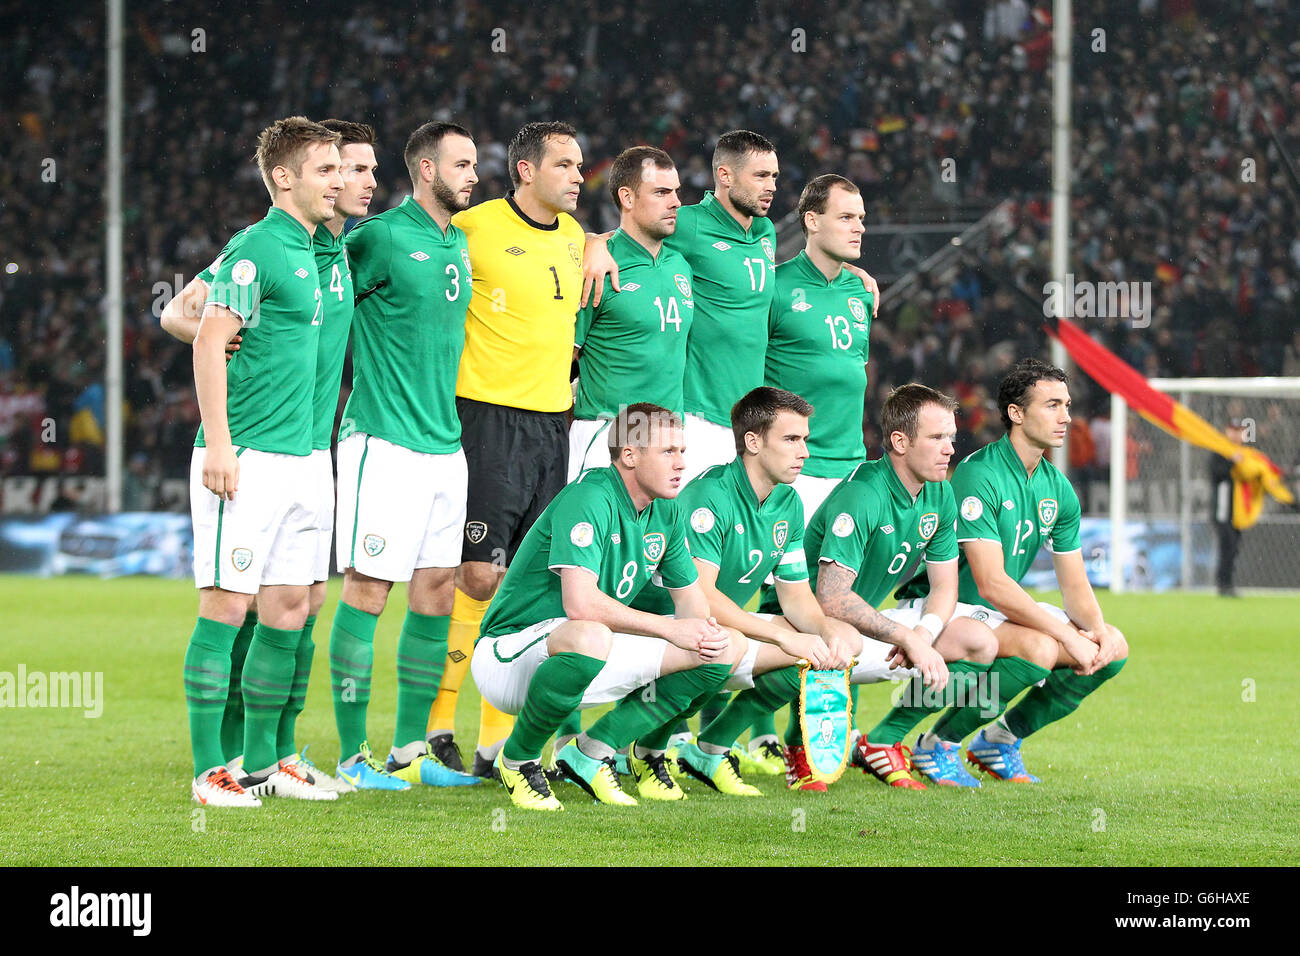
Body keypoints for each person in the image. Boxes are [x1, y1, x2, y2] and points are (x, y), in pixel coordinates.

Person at [163, 119, 378, 796]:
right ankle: (209, 772)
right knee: (226, 607)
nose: (343, 181)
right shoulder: (258, 249)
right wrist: (221, 446)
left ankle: (265, 760)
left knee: (294, 605)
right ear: (285, 178)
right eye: (328, 170)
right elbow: (201, 337)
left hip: (311, 460)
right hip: (250, 456)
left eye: (345, 170)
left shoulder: (326, 252)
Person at [470, 403, 746, 811]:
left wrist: (703, 632)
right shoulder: (589, 497)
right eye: (668, 451)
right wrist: (670, 629)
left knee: (724, 648)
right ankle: (518, 760)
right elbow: (579, 603)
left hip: (584, 653)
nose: (682, 464)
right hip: (509, 657)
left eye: (683, 452)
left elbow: (691, 600)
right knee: (591, 633)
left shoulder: (665, 511)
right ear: (630, 456)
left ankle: (591, 752)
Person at [427, 122, 588, 778]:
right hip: (489, 418)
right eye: (566, 164)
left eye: (581, 165)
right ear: (526, 170)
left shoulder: (578, 238)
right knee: (479, 574)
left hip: (557, 423)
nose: (580, 176)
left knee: (528, 581)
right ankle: (439, 724)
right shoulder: (475, 228)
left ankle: (495, 743)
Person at [327, 121, 483, 791]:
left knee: (436, 595)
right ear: (426, 168)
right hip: (382, 441)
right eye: (463, 163)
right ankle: (351, 756)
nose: (476, 174)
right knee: (368, 591)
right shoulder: (380, 237)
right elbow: (316, 279)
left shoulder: (460, 242)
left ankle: (409, 751)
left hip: (445, 446)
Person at [620, 386, 863, 797]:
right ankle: (635, 750)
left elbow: (796, 595)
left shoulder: (787, 502)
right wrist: (783, 635)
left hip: (708, 628)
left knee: (834, 642)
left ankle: (710, 750)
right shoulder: (708, 496)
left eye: (805, 439)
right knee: (738, 645)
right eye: (791, 439)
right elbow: (701, 597)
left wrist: (823, 631)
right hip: (657, 625)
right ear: (752, 442)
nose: (804, 451)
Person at [897, 358, 1129, 783]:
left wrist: (1096, 631)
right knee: (1039, 650)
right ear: (1016, 414)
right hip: (946, 607)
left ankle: (1000, 740)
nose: (1066, 417)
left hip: (995, 613)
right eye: (1053, 405)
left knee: (1113, 650)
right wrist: (1064, 636)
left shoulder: (1057, 486)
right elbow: (992, 584)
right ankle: (937, 744)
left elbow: (1074, 584)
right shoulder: (978, 474)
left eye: (1068, 405)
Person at [808, 384, 999, 789]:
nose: (950, 448)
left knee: (979, 640)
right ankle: (745, 746)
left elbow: (945, 587)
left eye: (951, 436)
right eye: (936, 438)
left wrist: (923, 635)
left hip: (871, 631)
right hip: (805, 629)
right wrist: (906, 639)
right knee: (839, 639)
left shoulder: (940, 492)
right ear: (899, 441)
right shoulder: (863, 494)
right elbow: (832, 598)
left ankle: (882, 741)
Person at [568, 146, 694, 479]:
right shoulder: (597, 265)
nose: (676, 202)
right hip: (609, 436)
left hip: (669, 437)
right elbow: (565, 357)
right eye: (662, 192)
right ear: (627, 197)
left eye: (676, 192)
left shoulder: (680, 264)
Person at [764, 173, 874, 521]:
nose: (859, 228)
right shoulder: (774, 287)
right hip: (793, 470)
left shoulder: (862, 292)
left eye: (861, 219)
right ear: (812, 221)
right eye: (846, 217)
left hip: (852, 468)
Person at [1210, 419, 1246, 597]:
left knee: (1234, 547)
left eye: (1239, 430)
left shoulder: (1246, 454)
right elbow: (1216, 473)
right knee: (1227, 545)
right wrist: (1233, 461)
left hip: (1238, 511)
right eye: (1233, 430)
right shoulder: (1221, 451)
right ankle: (1223, 583)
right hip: (1223, 510)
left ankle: (1228, 582)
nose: (1236, 434)